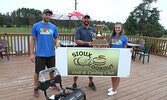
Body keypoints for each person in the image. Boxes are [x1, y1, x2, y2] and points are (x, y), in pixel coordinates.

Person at [30, 9, 60, 97]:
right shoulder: (36, 26)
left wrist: (57, 43)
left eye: (49, 15)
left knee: (52, 70)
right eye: (46, 14)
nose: (48, 16)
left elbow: (56, 37)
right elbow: (32, 39)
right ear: (43, 15)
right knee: (38, 72)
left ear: (51, 16)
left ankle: (52, 84)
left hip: (51, 54)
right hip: (40, 54)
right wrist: (31, 54)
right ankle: (36, 87)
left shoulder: (53, 27)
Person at [73, 14, 96, 90]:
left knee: (91, 68)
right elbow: (77, 41)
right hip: (80, 51)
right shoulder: (79, 29)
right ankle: (74, 83)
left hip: (90, 51)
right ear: (82, 19)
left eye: (88, 18)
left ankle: (90, 82)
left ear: (90, 20)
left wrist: (97, 42)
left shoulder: (93, 30)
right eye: (85, 18)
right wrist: (87, 43)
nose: (86, 20)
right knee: (77, 68)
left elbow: (94, 40)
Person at [107, 22, 128, 96]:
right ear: (114, 28)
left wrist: (130, 50)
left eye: (119, 28)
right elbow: (108, 47)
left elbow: (125, 49)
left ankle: (115, 90)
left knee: (117, 74)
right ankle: (113, 87)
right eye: (116, 27)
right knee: (112, 74)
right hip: (111, 57)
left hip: (119, 58)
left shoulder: (124, 38)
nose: (117, 29)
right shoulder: (110, 37)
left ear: (121, 28)